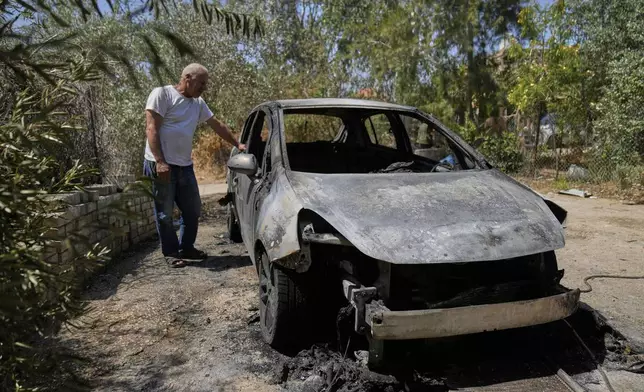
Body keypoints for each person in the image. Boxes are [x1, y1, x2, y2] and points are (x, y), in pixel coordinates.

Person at [143, 63, 245, 268]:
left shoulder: (198, 103)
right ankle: (171, 252)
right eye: (202, 83)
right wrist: (160, 161)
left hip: (184, 165)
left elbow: (216, 125)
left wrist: (237, 143)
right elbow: (152, 128)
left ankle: (186, 247)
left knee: (192, 210)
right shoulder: (162, 94)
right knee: (164, 213)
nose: (204, 88)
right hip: (161, 164)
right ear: (187, 78)